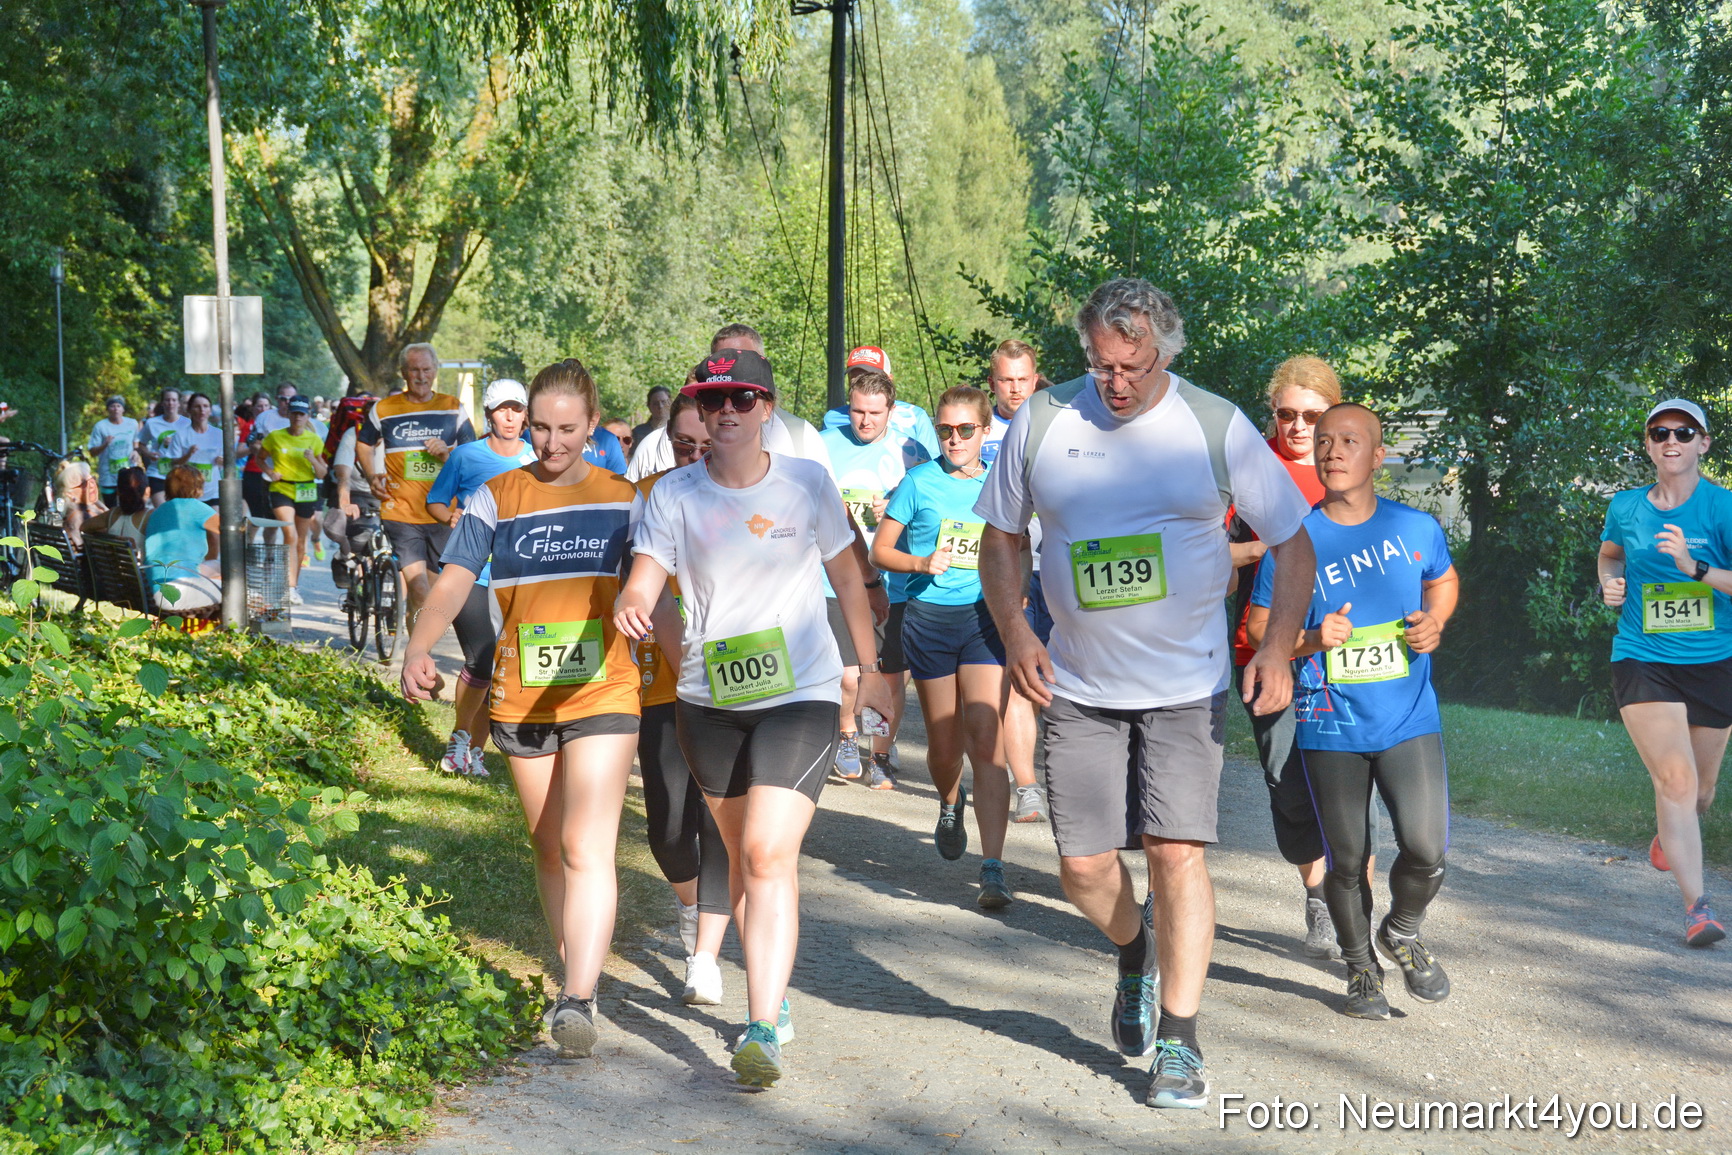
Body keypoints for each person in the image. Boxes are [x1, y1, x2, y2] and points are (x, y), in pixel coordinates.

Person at [975, 278, 1314, 1110]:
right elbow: (1001, 537)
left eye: (1132, 366)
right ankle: (1134, 950)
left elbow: (1294, 542)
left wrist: (1277, 644)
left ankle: (1181, 1040)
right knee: (1083, 868)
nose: (1115, 382)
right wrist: (1017, 632)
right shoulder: (1045, 419)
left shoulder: (1213, 425)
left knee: (1175, 852)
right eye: (1101, 365)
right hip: (1079, 681)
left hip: (1185, 683)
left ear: (1165, 351)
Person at [616, 349, 892, 1089]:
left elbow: (848, 580)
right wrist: (632, 601)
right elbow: (646, 578)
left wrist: (869, 671)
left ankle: (761, 1024)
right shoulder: (673, 493)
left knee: (768, 853)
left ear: (767, 407)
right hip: (707, 701)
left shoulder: (806, 482)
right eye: (713, 402)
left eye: (741, 399)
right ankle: (774, 987)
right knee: (744, 858)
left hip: (800, 693)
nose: (726, 413)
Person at [402, 358, 640, 1059]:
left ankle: (578, 996)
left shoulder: (624, 498)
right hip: (523, 691)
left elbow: (659, 583)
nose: (552, 441)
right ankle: (576, 974)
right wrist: (419, 645)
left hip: (604, 687)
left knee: (585, 844)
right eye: (541, 427)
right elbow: (454, 580)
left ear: (592, 426)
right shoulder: (497, 495)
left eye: (568, 428)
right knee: (548, 843)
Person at [1248, 403, 1460, 1018]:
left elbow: (1443, 580)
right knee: (1345, 859)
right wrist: (1312, 638)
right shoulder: (1294, 542)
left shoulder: (1415, 528)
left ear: (1378, 455)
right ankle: (1361, 967)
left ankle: (1402, 931)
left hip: (1408, 716)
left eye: (1349, 441)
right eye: (1324, 442)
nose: (1333, 451)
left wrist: (1435, 621)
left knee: (1426, 848)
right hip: (1328, 720)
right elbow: (1260, 629)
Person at [1228, 356, 1354, 958]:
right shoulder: (1247, 468)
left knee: (1349, 779)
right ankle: (1315, 891)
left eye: (1312, 415)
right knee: (1288, 780)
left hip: (1342, 648)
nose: (1298, 427)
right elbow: (1205, 549)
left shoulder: (1348, 469)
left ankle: (1346, 901)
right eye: (1286, 415)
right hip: (1260, 648)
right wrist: (1267, 550)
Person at [872, 385, 1014, 907]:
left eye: (965, 430)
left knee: (987, 737)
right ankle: (951, 801)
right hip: (929, 620)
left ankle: (993, 867)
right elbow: (879, 550)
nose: (954, 439)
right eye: (945, 430)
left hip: (983, 619)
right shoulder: (918, 482)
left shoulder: (1000, 483)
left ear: (984, 431)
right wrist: (920, 562)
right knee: (945, 745)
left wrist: (1016, 591)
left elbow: (1018, 544)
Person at [1599, 397, 1730, 947]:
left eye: (1684, 431)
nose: (1671, 440)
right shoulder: (1627, 507)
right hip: (1643, 656)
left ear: (1703, 443)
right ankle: (1697, 909)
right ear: (1648, 446)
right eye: (1660, 432)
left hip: (1715, 662)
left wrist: (1694, 568)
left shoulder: (1723, 508)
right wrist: (1609, 584)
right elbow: (1610, 555)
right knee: (1675, 781)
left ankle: (1670, 832)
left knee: (1700, 793)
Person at [629, 394, 733, 1006]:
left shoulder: (744, 491)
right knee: (669, 827)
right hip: (665, 684)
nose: (693, 456)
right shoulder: (646, 495)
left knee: (719, 818)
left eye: (704, 446)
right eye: (683, 446)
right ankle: (691, 905)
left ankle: (705, 954)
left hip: (732, 682)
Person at [819, 367, 928, 787]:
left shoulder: (912, 450)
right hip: (836, 578)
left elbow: (930, 506)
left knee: (890, 676)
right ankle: (848, 737)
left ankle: (880, 754)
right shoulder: (825, 445)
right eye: (858, 411)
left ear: (891, 411)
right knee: (850, 675)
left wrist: (899, 507)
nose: (865, 421)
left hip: (895, 580)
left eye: (875, 413)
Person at [425, 379, 537, 778]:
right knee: (482, 656)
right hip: (471, 572)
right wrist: (451, 516)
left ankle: (476, 750)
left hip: (517, 576)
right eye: (502, 409)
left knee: (505, 663)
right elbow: (436, 501)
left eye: (517, 409)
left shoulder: (536, 458)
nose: (510, 417)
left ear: (525, 415)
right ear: (489, 414)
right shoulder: (465, 456)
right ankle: (459, 739)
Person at [981, 340, 1050, 823]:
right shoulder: (974, 428)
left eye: (1023, 379)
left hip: (1057, 569)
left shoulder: (1054, 423)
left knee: (1057, 683)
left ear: (1035, 378)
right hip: (1004, 571)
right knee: (1019, 680)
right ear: (992, 383)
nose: (1015, 388)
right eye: (1006, 380)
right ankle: (1027, 785)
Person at [360, 343, 476, 620]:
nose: (421, 376)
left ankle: (417, 638)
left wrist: (447, 455)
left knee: (431, 595)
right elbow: (364, 444)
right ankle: (419, 646)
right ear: (403, 372)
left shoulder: (452, 407)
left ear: (435, 370)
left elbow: (471, 458)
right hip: (401, 512)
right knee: (419, 587)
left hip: (443, 514)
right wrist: (371, 475)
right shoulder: (384, 408)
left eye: (426, 369)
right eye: (414, 370)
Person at [260, 396, 329, 605]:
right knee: (289, 533)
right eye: (294, 413)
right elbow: (259, 458)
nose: (298, 417)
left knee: (300, 540)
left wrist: (312, 459)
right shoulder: (275, 437)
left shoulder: (314, 440)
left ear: (308, 416)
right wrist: (270, 472)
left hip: (306, 489)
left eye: (302, 414)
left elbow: (322, 472)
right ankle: (288, 587)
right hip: (281, 488)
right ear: (288, 415)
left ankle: (293, 586)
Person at [819, 346, 941, 459]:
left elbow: (931, 465)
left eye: (871, 377)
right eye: (855, 378)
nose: (864, 383)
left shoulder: (915, 417)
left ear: (889, 380)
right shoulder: (832, 418)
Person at [143, 465, 222, 612]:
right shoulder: (195, 507)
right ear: (198, 487)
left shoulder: (158, 511)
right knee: (238, 587)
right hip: (178, 592)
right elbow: (230, 531)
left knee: (218, 566)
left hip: (156, 588)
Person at [166, 392, 225, 504]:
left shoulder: (219, 434)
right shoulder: (181, 435)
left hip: (213, 491)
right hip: (189, 492)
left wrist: (222, 461)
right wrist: (188, 455)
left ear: (210, 410)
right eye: (197, 407)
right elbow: (174, 463)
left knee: (214, 516)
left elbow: (227, 461)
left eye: (205, 406)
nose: (202, 410)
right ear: (189, 410)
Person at [137, 387, 191, 507]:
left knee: (178, 510)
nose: (170, 403)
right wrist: (149, 454)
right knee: (163, 509)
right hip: (157, 472)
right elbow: (141, 444)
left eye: (173, 400)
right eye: (167, 400)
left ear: (179, 403)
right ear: (162, 403)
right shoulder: (152, 423)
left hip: (179, 474)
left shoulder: (187, 423)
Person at [86, 396, 139, 505]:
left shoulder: (132, 423)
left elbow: (137, 441)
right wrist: (105, 444)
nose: (116, 409)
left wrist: (136, 451)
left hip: (128, 473)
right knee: (110, 507)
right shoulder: (100, 426)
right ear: (107, 409)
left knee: (129, 505)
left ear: (123, 409)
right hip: (108, 475)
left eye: (118, 406)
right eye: (112, 406)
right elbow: (92, 452)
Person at [85, 466, 150, 552]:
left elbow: (83, 527)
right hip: (139, 561)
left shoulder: (111, 514)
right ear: (147, 492)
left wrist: (110, 536)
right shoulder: (150, 516)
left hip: (111, 560)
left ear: (118, 492)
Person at [52, 459, 104, 543]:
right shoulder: (82, 517)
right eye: (84, 483)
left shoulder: (71, 512)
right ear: (69, 494)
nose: (92, 485)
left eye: (92, 479)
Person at [630, 385, 672, 454]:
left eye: (664, 402)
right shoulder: (638, 433)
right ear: (649, 406)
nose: (660, 406)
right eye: (655, 403)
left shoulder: (679, 430)